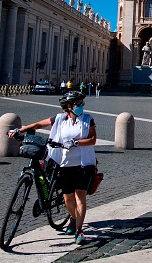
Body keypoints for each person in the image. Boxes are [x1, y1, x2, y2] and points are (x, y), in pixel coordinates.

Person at [7, 91, 96, 244]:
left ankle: (79, 231)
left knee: (80, 196)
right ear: (69, 106)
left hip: (83, 163)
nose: (81, 106)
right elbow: (37, 125)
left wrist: (76, 143)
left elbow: (93, 139)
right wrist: (18, 130)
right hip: (65, 164)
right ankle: (74, 219)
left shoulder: (88, 119)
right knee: (68, 198)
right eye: (78, 104)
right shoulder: (59, 118)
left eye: (82, 104)